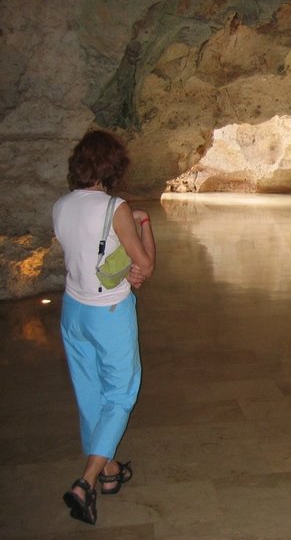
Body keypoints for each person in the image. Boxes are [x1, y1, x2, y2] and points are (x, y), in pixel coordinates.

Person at [52, 129, 156, 525]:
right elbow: (144, 265)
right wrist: (144, 224)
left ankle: (110, 471)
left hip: (73, 310)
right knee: (120, 393)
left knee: (89, 393)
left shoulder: (61, 206)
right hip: (108, 313)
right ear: (114, 168)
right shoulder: (116, 208)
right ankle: (86, 481)